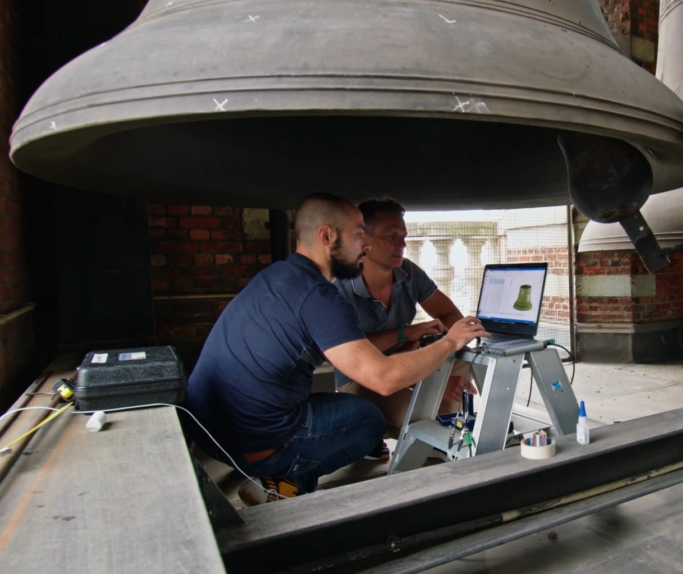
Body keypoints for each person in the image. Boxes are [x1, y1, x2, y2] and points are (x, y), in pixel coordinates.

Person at [183, 193, 488, 505]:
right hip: (254, 444)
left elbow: (356, 348)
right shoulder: (321, 298)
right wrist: (451, 341)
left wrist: (408, 336)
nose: (365, 245)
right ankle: (285, 480)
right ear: (326, 235)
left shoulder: (277, 276)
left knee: (342, 406)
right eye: (358, 235)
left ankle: (276, 480)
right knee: (366, 421)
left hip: (210, 436)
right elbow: (383, 378)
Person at [334, 198, 474, 454]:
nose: (402, 244)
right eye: (391, 236)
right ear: (364, 240)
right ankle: (397, 436)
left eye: (404, 236)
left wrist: (444, 371)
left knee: (462, 354)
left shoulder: (409, 273)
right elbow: (350, 351)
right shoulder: (338, 287)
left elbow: (448, 313)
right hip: (362, 376)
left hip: (404, 360)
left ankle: (444, 437)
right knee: (419, 414)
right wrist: (404, 332)